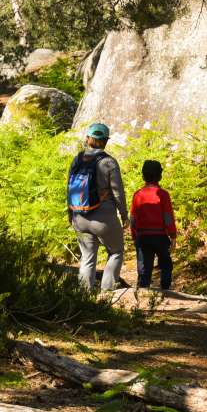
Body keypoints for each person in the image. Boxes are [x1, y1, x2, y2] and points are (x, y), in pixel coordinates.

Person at [67, 122, 130, 293]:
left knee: (87, 257)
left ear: (88, 139)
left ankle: (83, 295)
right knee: (116, 252)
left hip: (79, 217)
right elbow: (118, 192)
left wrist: (70, 214)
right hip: (104, 219)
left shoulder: (77, 159)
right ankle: (107, 294)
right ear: (105, 141)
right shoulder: (109, 162)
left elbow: (69, 187)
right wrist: (124, 215)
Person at [129, 159, 177, 290]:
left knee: (144, 266)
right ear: (160, 176)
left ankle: (143, 289)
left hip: (143, 236)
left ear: (143, 176)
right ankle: (166, 289)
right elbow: (168, 217)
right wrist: (173, 236)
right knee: (166, 264)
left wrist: (134, 235)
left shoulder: (137, 195)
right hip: (160, 236)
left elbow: (133, 218)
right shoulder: (163, 194)